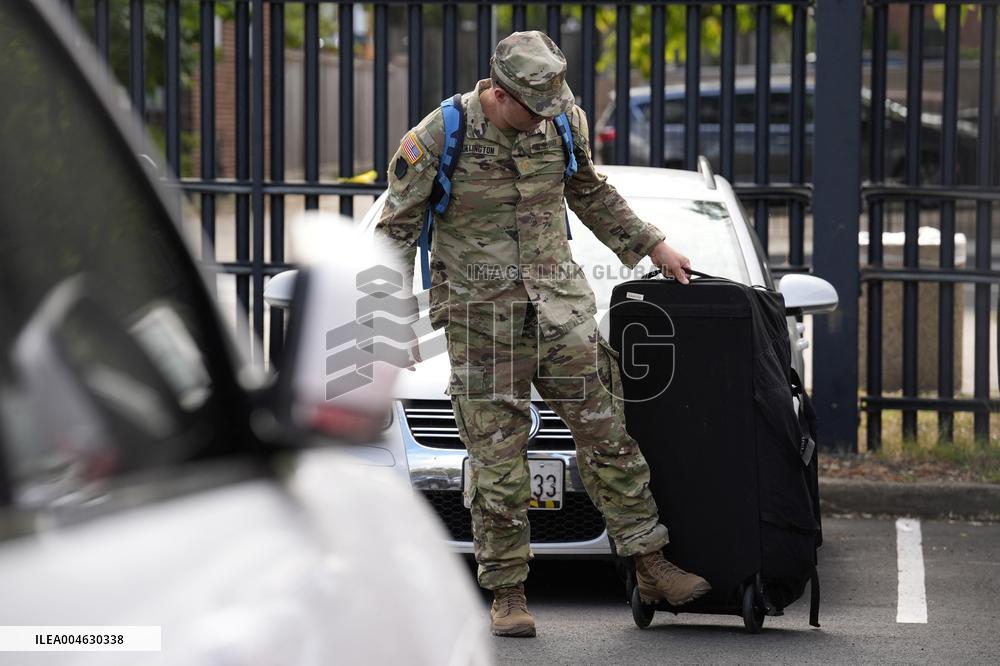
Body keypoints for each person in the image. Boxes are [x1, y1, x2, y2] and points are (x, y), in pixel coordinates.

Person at [375, 30, 710, 638]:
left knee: (608, 434)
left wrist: (654, 247)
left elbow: (589, 192)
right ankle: (507, 593)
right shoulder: (439, 136)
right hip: (486, 324)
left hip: (560, 308)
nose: (543, 120)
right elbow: (395, 230)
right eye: (533, 109)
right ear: (500, 94)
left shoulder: (561, 120)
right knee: (498, 458)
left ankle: (650, 564)